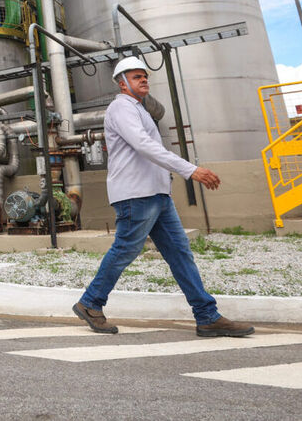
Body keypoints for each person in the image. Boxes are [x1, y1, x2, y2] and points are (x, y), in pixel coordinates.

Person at [73, 56, 254, 338]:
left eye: (144, 76)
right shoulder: (121, 108)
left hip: (157, 195)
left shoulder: (141, 111)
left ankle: (207, 316)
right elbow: (143, 146)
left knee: (180, 254)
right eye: (136, 77)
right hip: (136, 194)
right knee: (126, 249)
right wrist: (190, 170)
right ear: (122, 84)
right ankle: (90, 303)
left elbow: (149, 150)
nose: (144, 79)